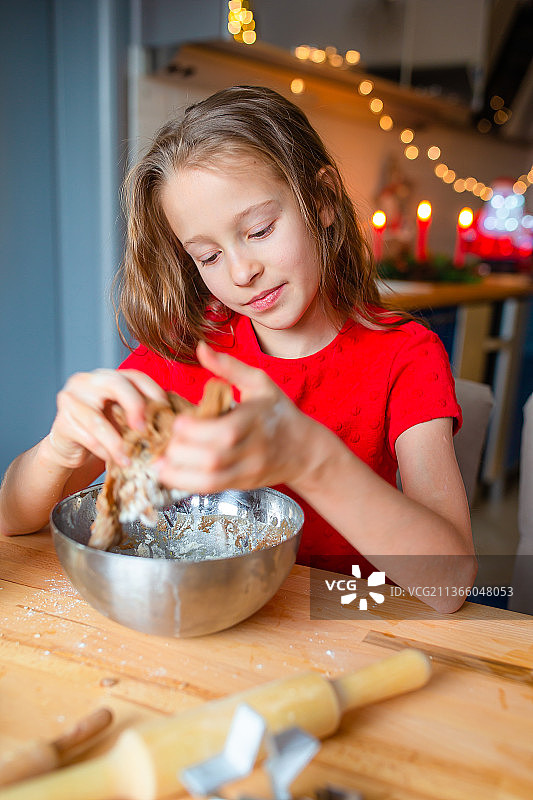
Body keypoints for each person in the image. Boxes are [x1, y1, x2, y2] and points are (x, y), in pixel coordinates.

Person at [0, 86, 476, 612]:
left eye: (260, 230)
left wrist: (311, 459)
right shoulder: (184, 352)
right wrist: (57, 448)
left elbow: (450, 585)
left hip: (343, 617)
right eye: (207, 256)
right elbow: (12, 519)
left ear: (320, 202)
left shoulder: (403, 355)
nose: (241, 272)